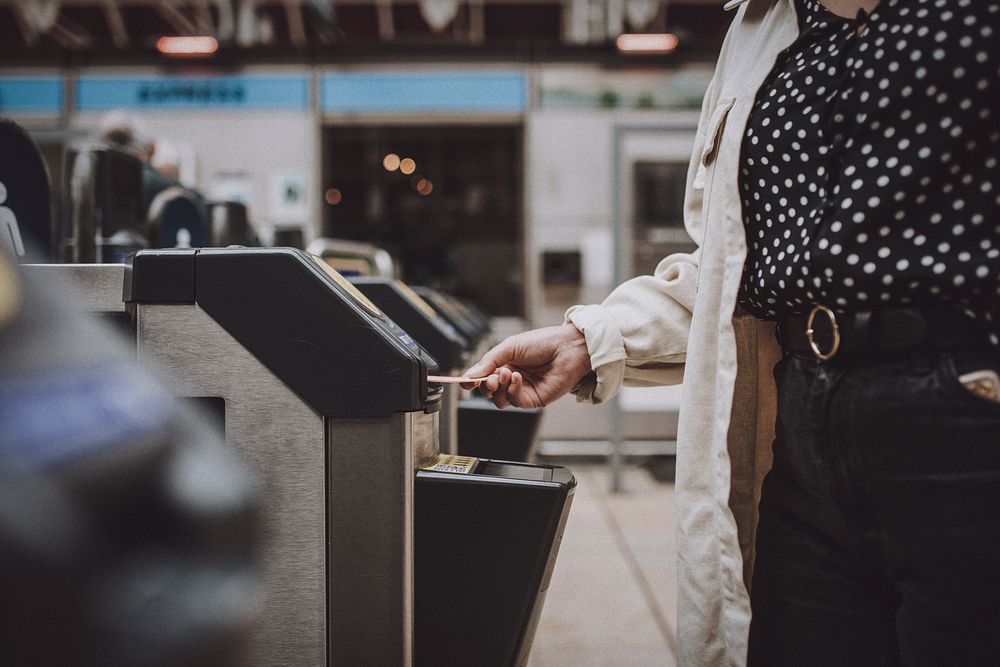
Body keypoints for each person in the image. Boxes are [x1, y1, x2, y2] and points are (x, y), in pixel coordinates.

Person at [464, 0, 1000, 664]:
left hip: (969, 404)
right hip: (804, 418)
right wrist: (588, 340)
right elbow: (734, 269)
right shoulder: (761, 28)